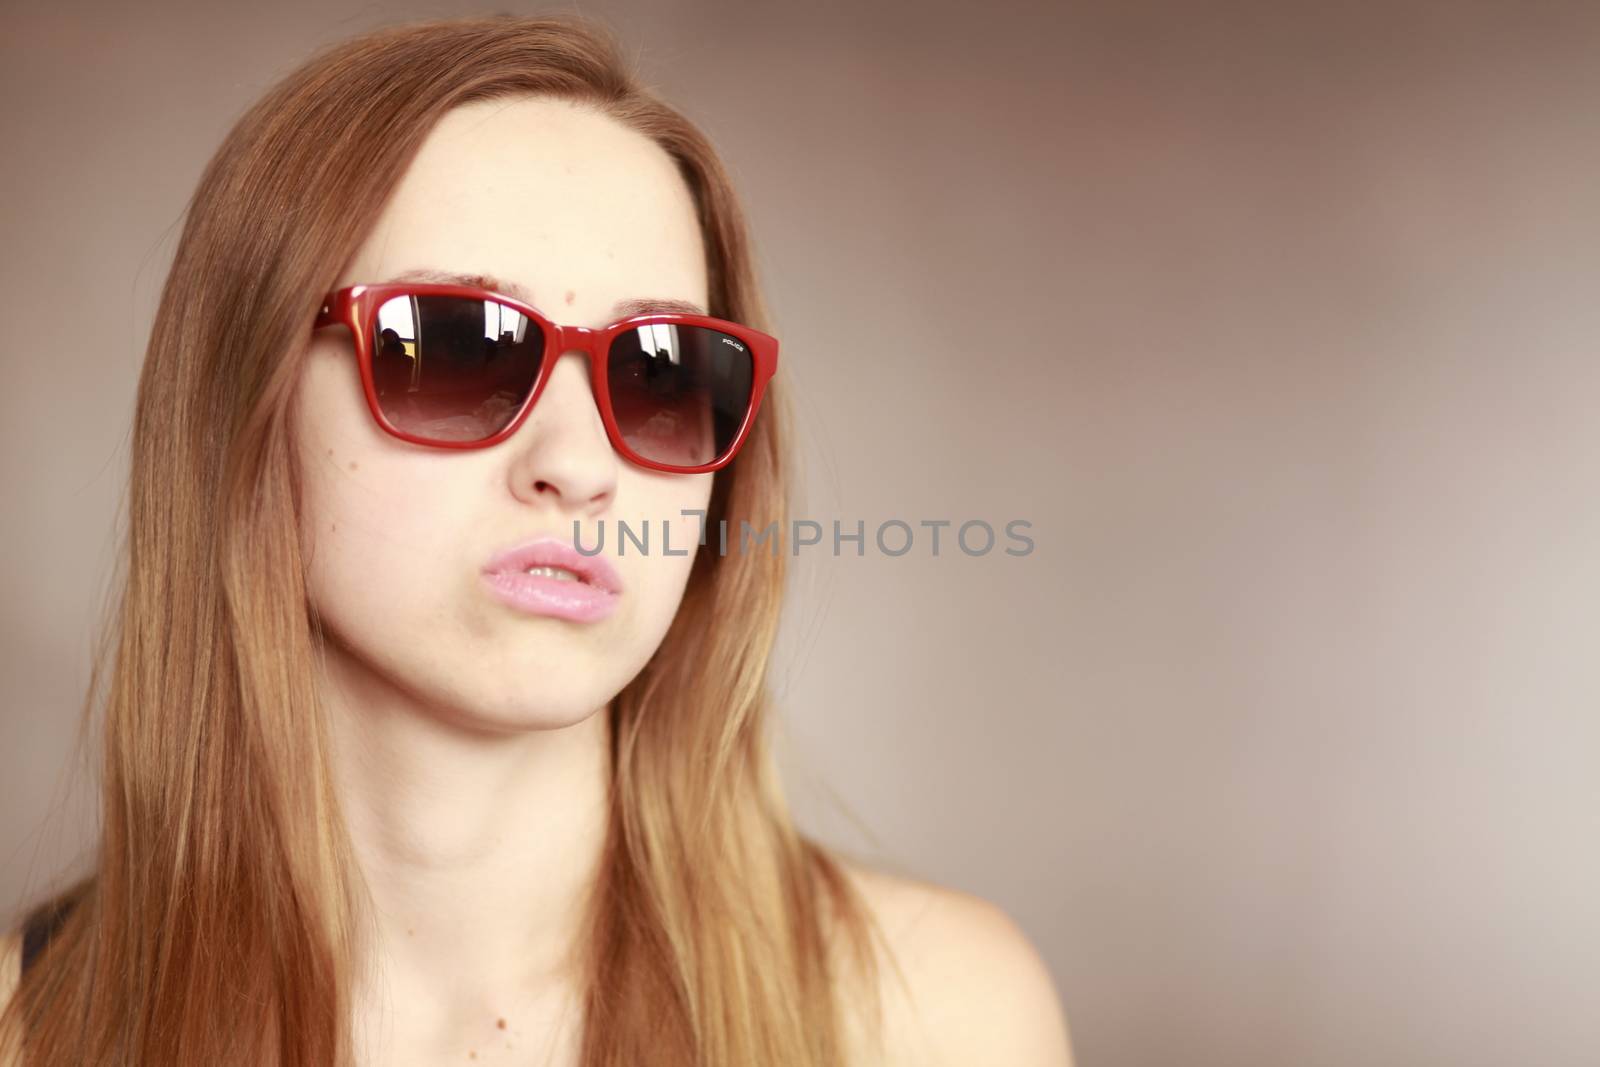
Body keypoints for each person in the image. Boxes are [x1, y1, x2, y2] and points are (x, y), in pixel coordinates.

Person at [0, 13, 1073, 1066]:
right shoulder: (26, 1028)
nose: (582, 464)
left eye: (660, 370)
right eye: (458, 347)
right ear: (244, 402)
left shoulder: (934, 1017)